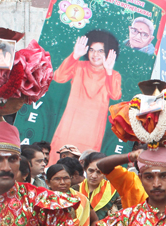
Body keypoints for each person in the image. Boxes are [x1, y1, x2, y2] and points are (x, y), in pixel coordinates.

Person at [50, 29, 121, 165]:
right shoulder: (78, 66)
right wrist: (74, 56)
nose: (95, 54)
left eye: (101, 51)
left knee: (84, 168)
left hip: (92, 133)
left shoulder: (114, 75)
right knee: (58, 165)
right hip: (68, 128)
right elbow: (58, 77)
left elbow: (115, 95)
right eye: (92, 50)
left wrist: (109, 71)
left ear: (109, 53)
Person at [81, 152, 121, 220]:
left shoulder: (114, 192)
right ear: (85, 169)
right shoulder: (75, 190)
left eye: (99, 172)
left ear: (105, 172)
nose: (94, 176)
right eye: (91, 171)